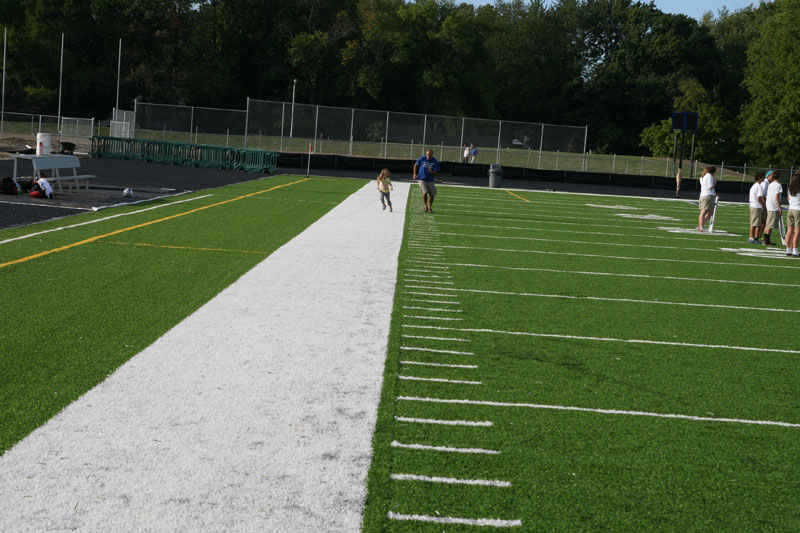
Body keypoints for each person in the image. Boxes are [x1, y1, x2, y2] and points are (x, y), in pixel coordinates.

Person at [763, 170, 783, 246]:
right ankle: (766, 240)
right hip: (773, 206)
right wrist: (779, 207)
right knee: (770, 225)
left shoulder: (770, 184)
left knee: (768, 224)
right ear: (779, 177)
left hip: (769, 205)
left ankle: (766, 239)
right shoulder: (778, 185)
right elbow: (777, 197)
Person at [697, 166, 718, 232]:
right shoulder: (709, 176)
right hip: (707, 195)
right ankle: (701, 227)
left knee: (710, 211)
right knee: (704, 211)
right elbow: (710, 187)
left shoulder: (704, 177)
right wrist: (714, 182)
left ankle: (701, 225)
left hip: (704, 195)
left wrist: (715, 193)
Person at [784, 172, 800, 256]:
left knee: (789, 231)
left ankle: (788, 250)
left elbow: (788, 198)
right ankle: (795, 250)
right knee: (797, 232)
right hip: (798, 211)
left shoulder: (790, 188)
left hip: (790, 210)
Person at [747, 173, 765, 244]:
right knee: (756, 224)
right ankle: (753, 238)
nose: (764, 179)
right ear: (760, 178)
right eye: (763, 177)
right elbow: (759, 197)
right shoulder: (759, 186)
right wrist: (763, 204)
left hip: (753, 205)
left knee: (755, 223)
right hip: (756, 206)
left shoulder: (754, 185)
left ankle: (753, 237)